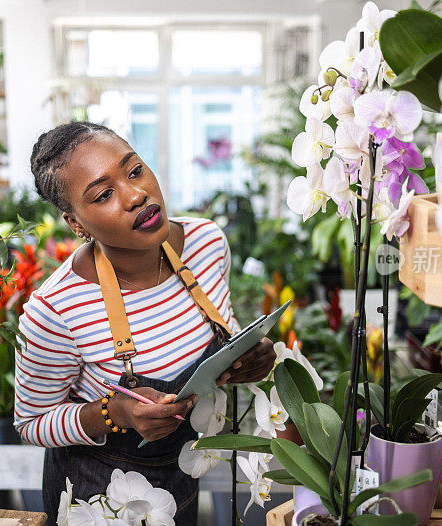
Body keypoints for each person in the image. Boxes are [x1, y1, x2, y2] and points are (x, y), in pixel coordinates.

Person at [16, 121, 276, 525]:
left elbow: (214, 332)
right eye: (104, 194)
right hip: (98, 498)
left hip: (182, 479)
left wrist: (246, 360)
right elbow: (30, 423)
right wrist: (114, 413)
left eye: (134, 170)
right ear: (76, 223)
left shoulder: (207, 243)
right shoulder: (56, 308)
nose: (136, 195)